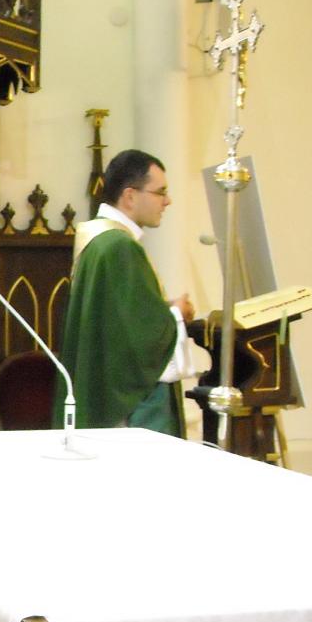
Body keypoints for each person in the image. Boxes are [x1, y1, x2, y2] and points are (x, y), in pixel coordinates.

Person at [56, 150, 200, 437]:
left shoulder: (101, 241)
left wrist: (164, 309)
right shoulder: (119, 246)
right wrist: (176, 314)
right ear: (130, 196)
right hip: (132, 414)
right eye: (161, 192)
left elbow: (120, 321)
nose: (167, 201)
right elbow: (139, 340)